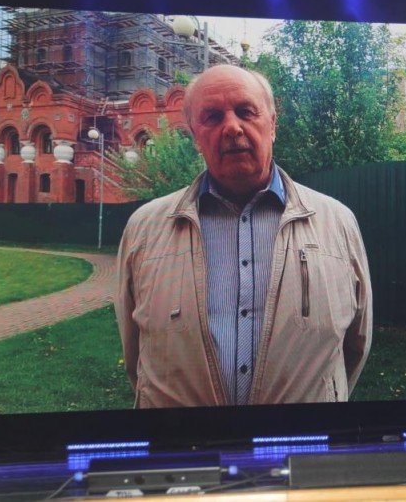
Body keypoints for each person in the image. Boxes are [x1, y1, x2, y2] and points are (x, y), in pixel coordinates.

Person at [115, 65, 372, 408]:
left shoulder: (337, 222)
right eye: (212, 117)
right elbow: (136, 357)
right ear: (195, 135)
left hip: (299, 439)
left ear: (272, 124)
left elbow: (354, 346)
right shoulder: (145, 228)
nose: (232, 127)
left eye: (246, 111)